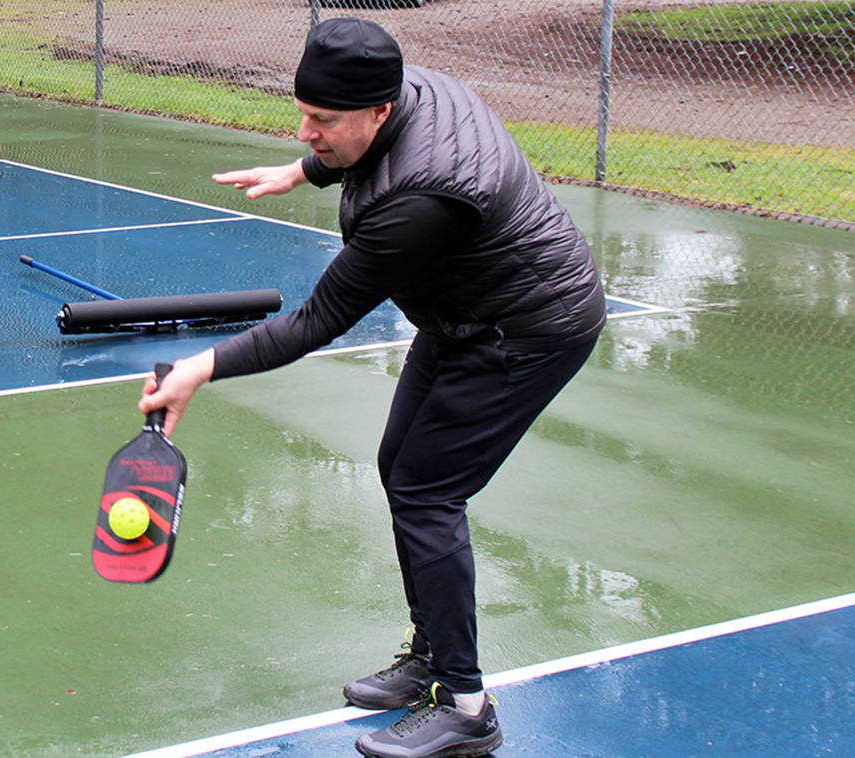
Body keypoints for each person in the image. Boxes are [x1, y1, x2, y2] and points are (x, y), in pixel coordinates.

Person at [138, 17, 605, 758]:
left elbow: (318, 319)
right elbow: (369, 150)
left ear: (379, 110)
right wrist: (304, 170)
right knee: (402, 469)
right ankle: (430, 653)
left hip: (528, 328)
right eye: (304, 113)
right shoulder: (402, 88)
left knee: (427, 490)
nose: (306, 130)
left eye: (321, 122)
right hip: (465, 317)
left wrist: (201, 367)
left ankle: (466, 706)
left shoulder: (420, 202)